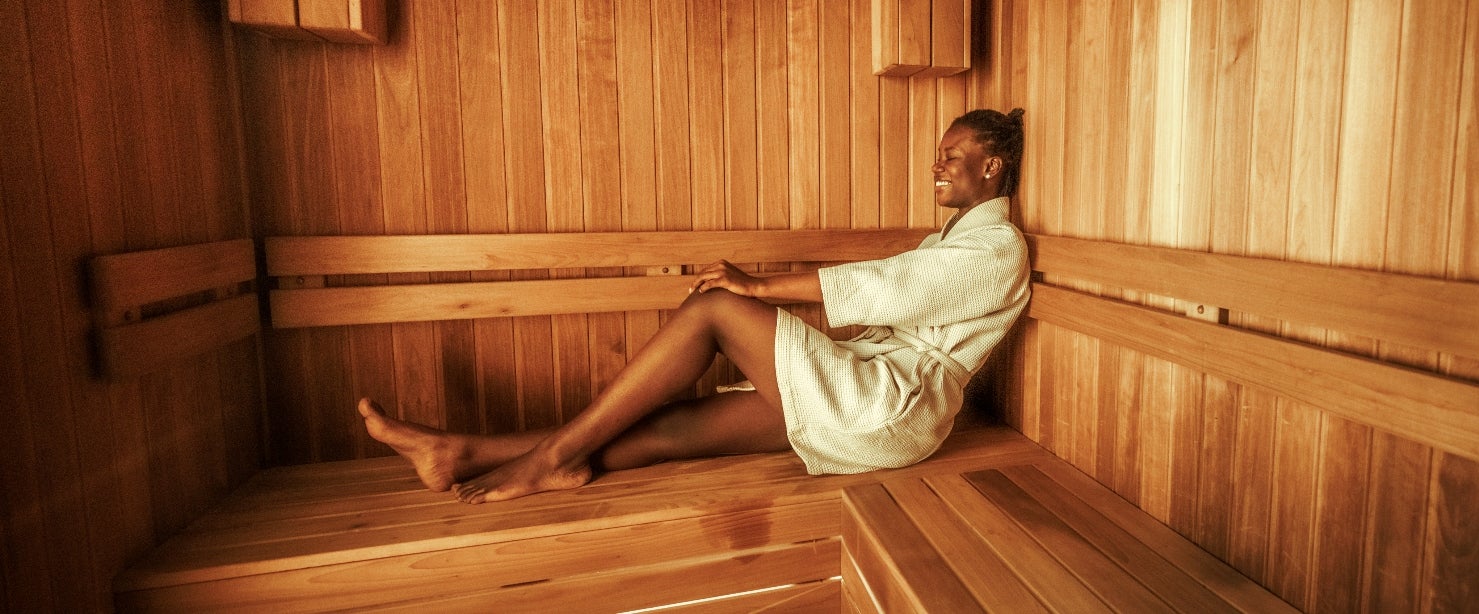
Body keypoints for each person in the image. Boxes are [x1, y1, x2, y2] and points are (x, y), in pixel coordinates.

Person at [357, 108, 1031, 504]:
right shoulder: (958, 240)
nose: (936, 166)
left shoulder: (997, 246)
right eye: (939, 157)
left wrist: (759, 289)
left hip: (891, 407)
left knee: (714, 308)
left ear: (993, 166)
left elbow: (891, 287)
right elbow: (895, 287)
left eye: (951, 156)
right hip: (872, 393)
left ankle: (548, 457)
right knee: (671, 429)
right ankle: (458, 452)